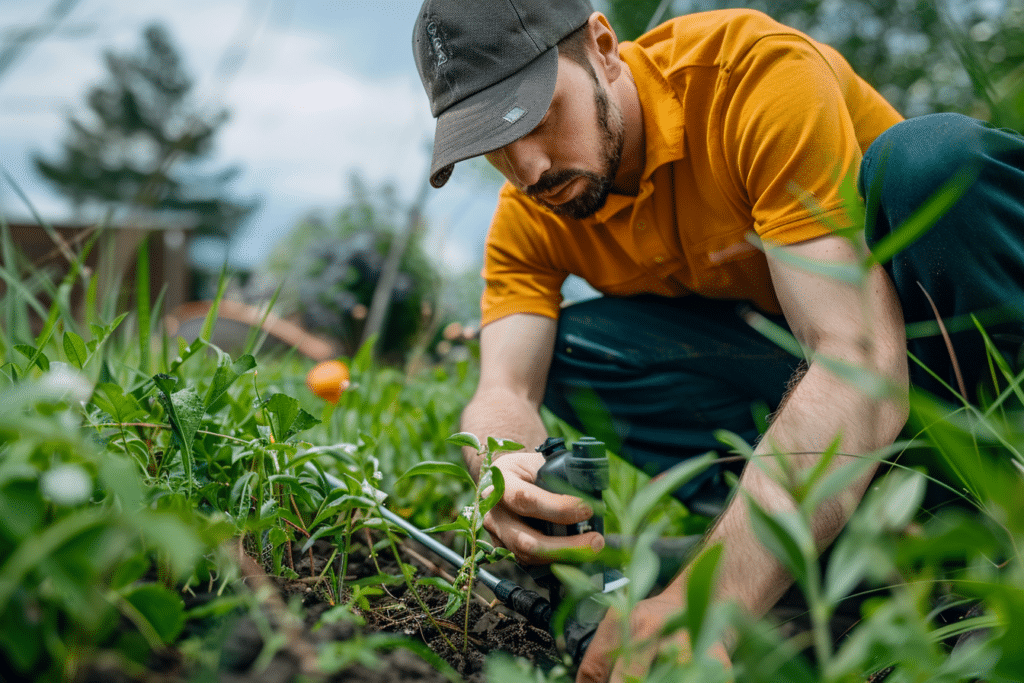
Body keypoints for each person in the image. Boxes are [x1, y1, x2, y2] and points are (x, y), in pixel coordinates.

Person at [411, 1, 1024, 681]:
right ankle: (840, 550)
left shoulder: (752, 78)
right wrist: (502, 462)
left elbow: (856, 360)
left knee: (934, 163)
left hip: (937, 352)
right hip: (817, 389)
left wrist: (706, 600)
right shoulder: (534, 208)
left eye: (536, 116)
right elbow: (503, 388)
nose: (526, 167)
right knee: (577, 350)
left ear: (603, 46)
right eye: (490, 143)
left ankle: (992, 520)